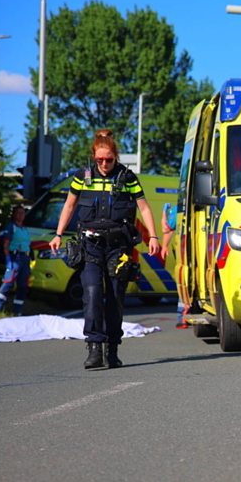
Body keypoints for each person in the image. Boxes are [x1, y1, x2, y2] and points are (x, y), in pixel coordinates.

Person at [50, 129, 160, 369]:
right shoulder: (82, 176)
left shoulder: (127, 177)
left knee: (115, 298)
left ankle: (112, 350)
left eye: (109, 159)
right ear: (93, 156)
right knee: (91, 295)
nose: (104, 164)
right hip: (89, 245)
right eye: (99, 159)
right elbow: (69, 205)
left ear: (115, 157)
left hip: (117, 248)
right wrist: (58, 234)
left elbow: (144, 208)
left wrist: (153, 236)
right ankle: (94, 348)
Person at [0, 206, 32, 315]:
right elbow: (6, 244)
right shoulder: (11, 227)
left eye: (23, 213)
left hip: (25, 258)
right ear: (14, 215)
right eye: (18, 213)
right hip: (15, 257)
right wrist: (8, 259)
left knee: (23, 285)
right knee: (8, 282)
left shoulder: (24, 228)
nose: (21, 215)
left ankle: (17, 310)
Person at [159, 200, 188, 329]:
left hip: (185, 252)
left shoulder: (180, 207)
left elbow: (166, 228)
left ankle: (183, 317)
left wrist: (164, 212)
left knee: (184, 282)